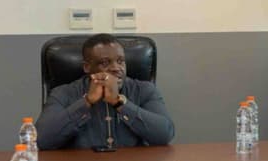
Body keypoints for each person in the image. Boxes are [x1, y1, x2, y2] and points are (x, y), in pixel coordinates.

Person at [36, 34, 175, 150]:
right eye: (104, 63)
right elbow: (41, 140)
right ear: (87, 67)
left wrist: (120, 103)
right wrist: (86, 102)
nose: (116, 68)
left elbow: (164, 134)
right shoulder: (63, 93)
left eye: (120, 61)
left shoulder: (144, 90)